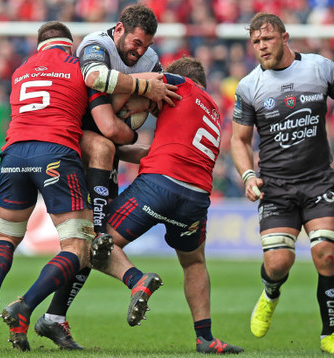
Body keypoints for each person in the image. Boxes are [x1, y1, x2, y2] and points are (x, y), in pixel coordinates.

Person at [0, 20, 169, 352]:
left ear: (39, 46)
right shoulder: (78, 66)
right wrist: (136, 113)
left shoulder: (20, 71)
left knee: (4, 237)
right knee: (78, 246)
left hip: (14, 153)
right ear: (69, 44)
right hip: (56, 155)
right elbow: (109, 125)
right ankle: (26, 306)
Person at [33, 4, 181, 350]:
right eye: (135, 42)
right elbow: (94, 78)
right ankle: (28, 309)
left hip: (106, 147)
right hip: (74, 140)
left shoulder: (150, 60)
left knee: (91, 245)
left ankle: (51, 316)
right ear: (119, 30)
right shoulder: (96, 44)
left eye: (145, 46)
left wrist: (139, 102)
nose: (139, 51)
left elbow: (157, 104)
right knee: (90, 238)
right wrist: (139, 90)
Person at [230, 13, 334, 354]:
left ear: (284, 36)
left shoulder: (319, 68)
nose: (261, 47)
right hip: (276, 187)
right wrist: (248, 175)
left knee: (326, 255)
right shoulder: (249, 86)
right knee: (278, 264)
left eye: (266, 39)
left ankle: (330, 335)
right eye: (255, 42)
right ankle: (270, 292)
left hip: (317, 181)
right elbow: (239, 140)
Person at [89, 56, 243, 354]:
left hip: (159, 185)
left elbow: (138, 85)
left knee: (95, 243)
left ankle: (137, 280)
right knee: (194, 262)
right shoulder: (211, 109)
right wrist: (114, 151)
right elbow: (152, 151)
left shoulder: (180, 84)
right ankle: (206, 338)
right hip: (196, 197)